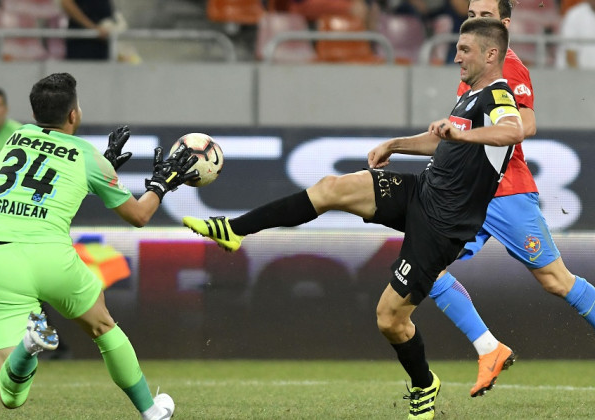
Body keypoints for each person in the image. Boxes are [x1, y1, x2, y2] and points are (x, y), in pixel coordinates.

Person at [185, 18, 524, 419]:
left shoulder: (499, 97)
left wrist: (460, 135)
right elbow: (443, 141)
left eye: (464, 49)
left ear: (490, 54)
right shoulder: (470, 96)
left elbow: (513, 130)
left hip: (442, 227)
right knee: (331, 188)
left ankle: (423, 385)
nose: (456, 56)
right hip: (421, 192)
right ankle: (234, 230)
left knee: (389, 320)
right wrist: (395, 145)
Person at [427, 0, 595, 406]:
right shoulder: (470, 68)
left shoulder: (508, 65)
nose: (475, 20)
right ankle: (488, 348)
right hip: (470, 194)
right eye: (472, 14)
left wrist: (512, 129)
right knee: (425, 269)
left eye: (485, 15)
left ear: (505, 24)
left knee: (555, 280)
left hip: (507, 193)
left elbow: (525, 122)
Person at [0, 72, 199, 418]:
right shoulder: (88, 157)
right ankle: (151, 412)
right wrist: (161, 184)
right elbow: (139, 216)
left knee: (10, 397)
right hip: (51, 256)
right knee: (101, 324)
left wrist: (103, 163)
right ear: (73, 115)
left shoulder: (16, 137)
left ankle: (28, 344)